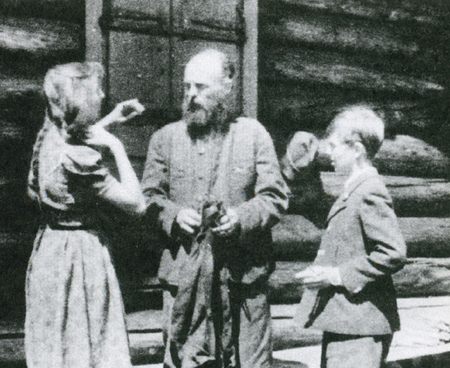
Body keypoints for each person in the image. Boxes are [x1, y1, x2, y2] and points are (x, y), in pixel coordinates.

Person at [141, 49, 288, 368]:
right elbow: (149, 198)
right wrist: (175, 215)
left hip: (243, 285)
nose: (191, 95)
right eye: (186, 87)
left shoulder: (253, 135)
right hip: (185, 286)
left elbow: (274, 197)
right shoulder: (164, 139)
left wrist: (241, 218)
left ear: (227, 86)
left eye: (201, 87)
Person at [25, 62, 146, 368]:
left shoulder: (48, 133)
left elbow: (74, 139)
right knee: (89, 341)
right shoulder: (81, 158)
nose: (103, 95)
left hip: (50, 250)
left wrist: (110, 120)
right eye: (97, 91)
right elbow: (136, 204)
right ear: (79, 100)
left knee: (59, 341)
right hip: (79, 256)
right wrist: (117, 146)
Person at [294, 105, 407, 368]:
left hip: (360, 327)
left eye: (334, 146)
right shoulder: (354, 190)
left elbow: (393, 252)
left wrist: (336, 276)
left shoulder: (369, 191)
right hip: (347, 323)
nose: (327, 153)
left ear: (357, 150)